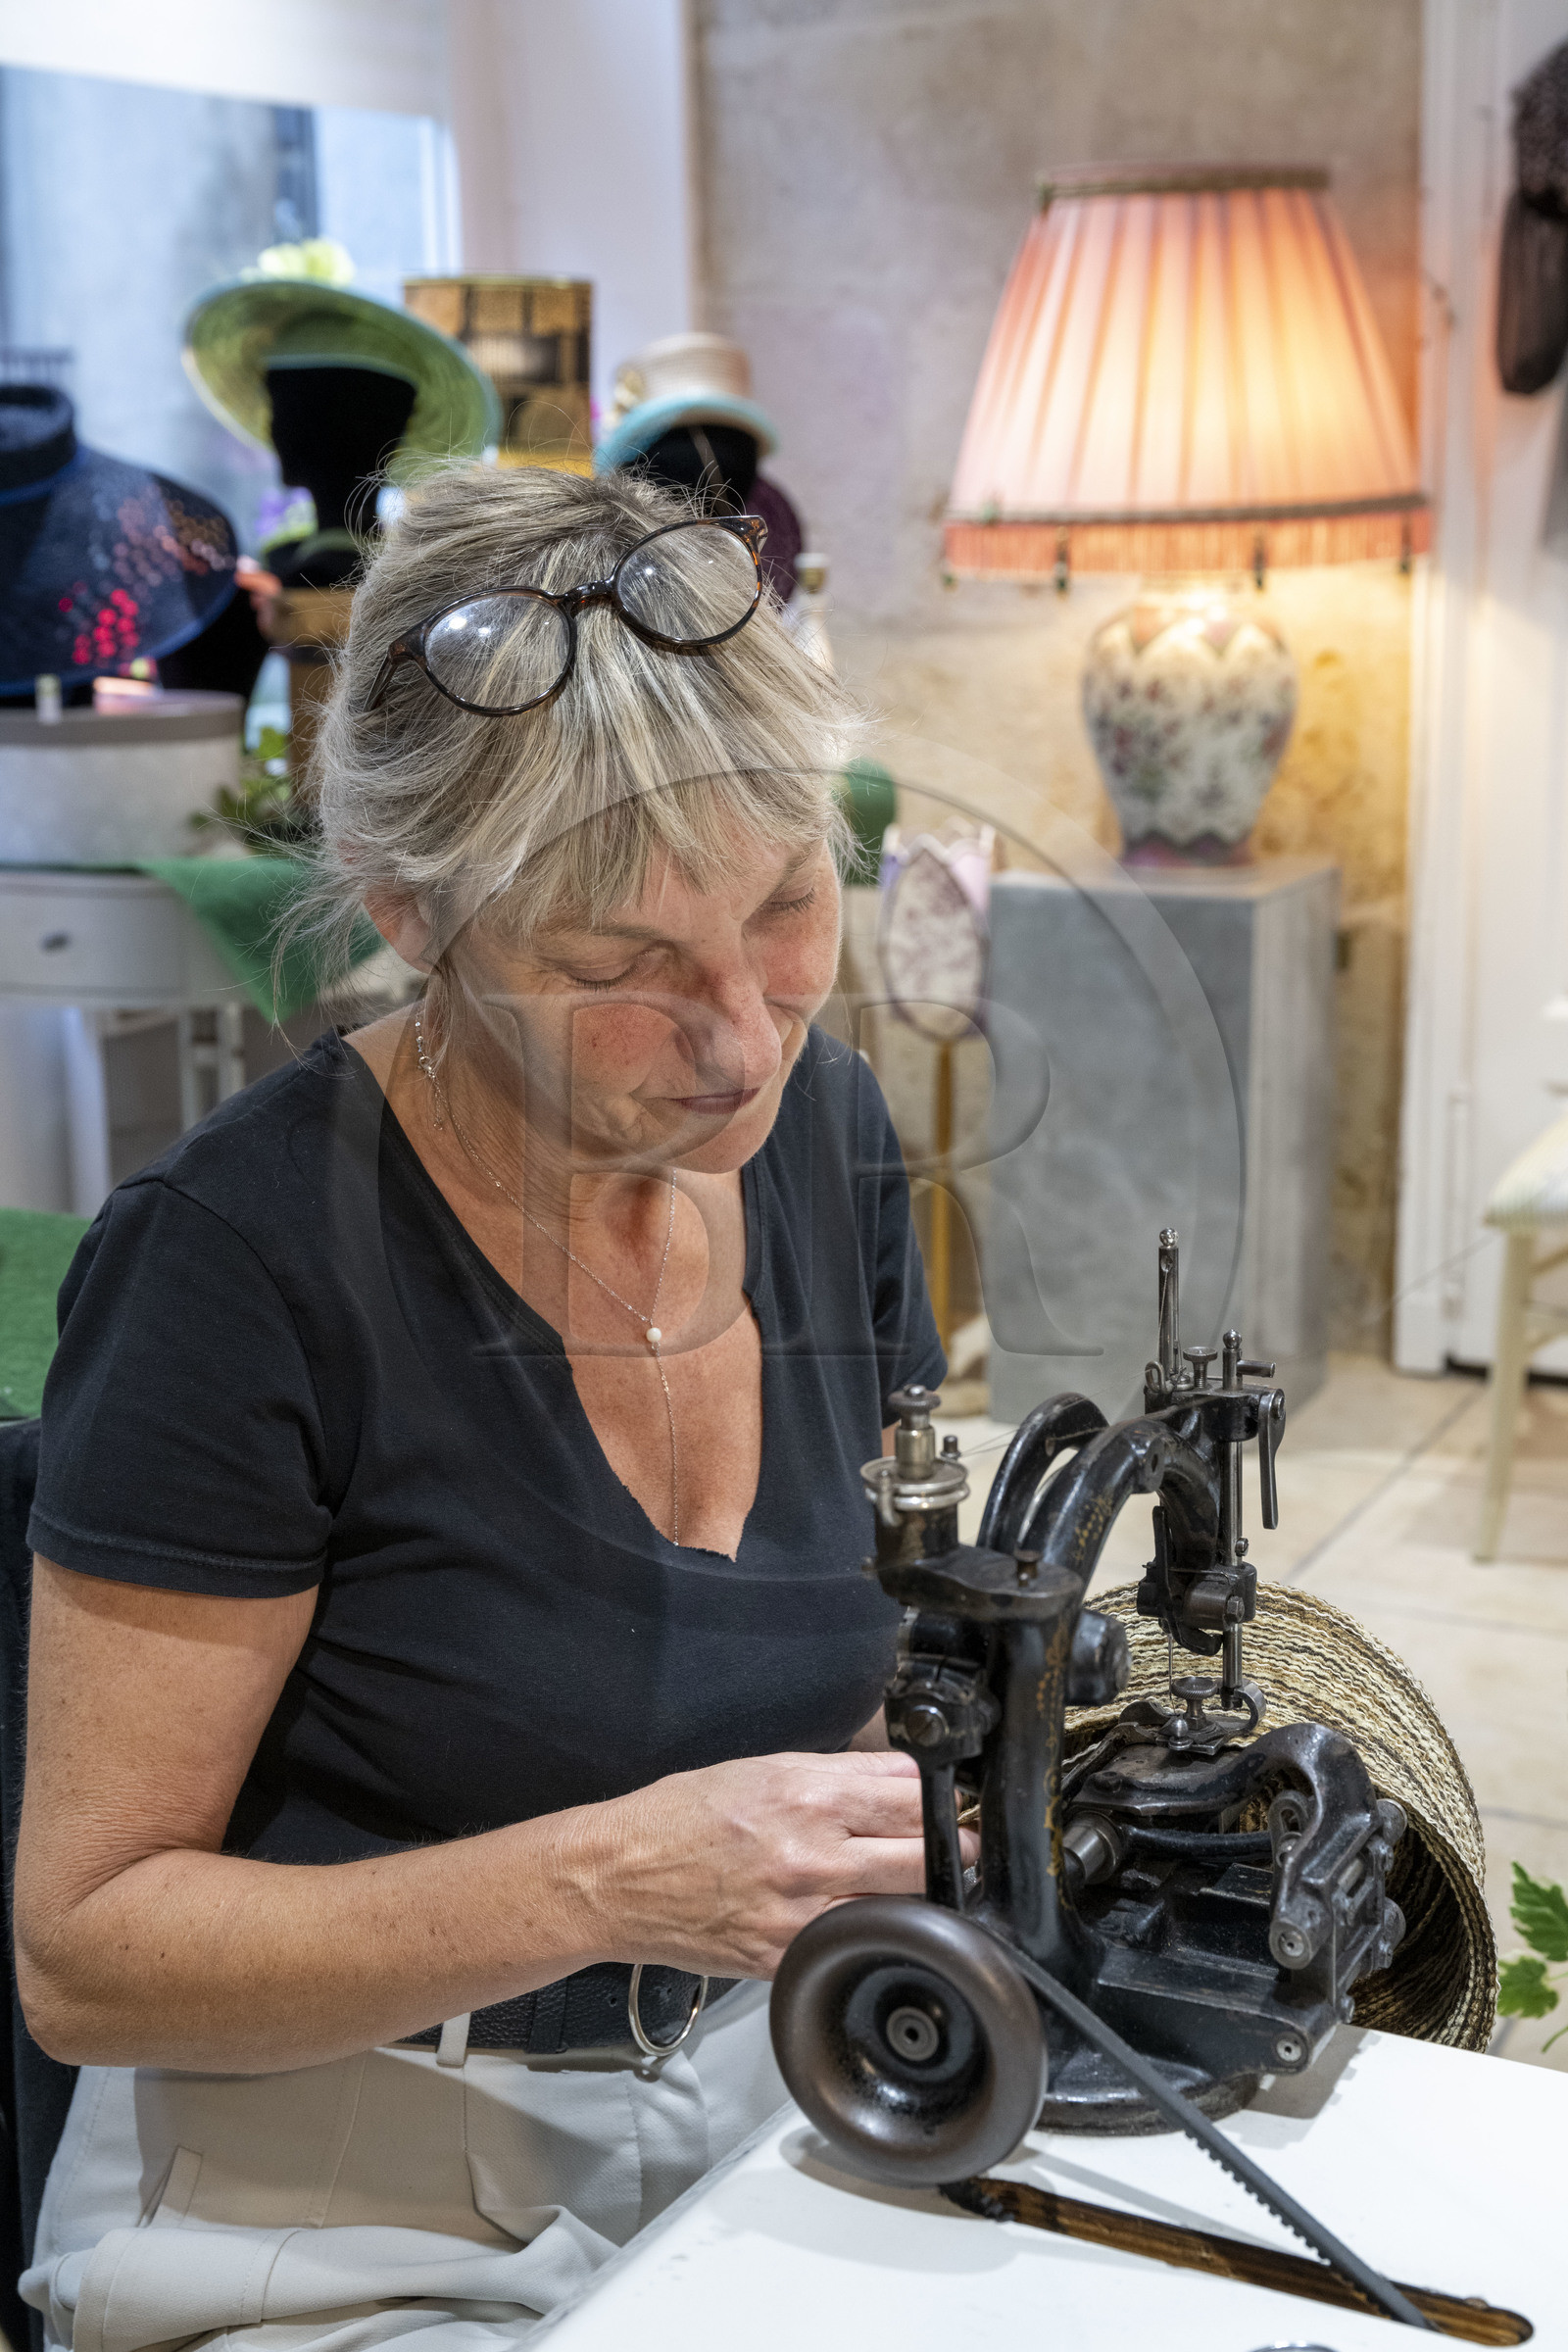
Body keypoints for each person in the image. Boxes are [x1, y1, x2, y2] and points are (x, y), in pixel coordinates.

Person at [14, 463, 950, 2351]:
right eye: (619, 968)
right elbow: (87, 1960)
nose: (743, 1035)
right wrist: (615, 1881)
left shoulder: (825, 1136)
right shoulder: (235, 1263)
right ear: (414, 914)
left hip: (775, 2087)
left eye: (787, 902)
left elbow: (878, 1666)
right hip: (330, 2187)